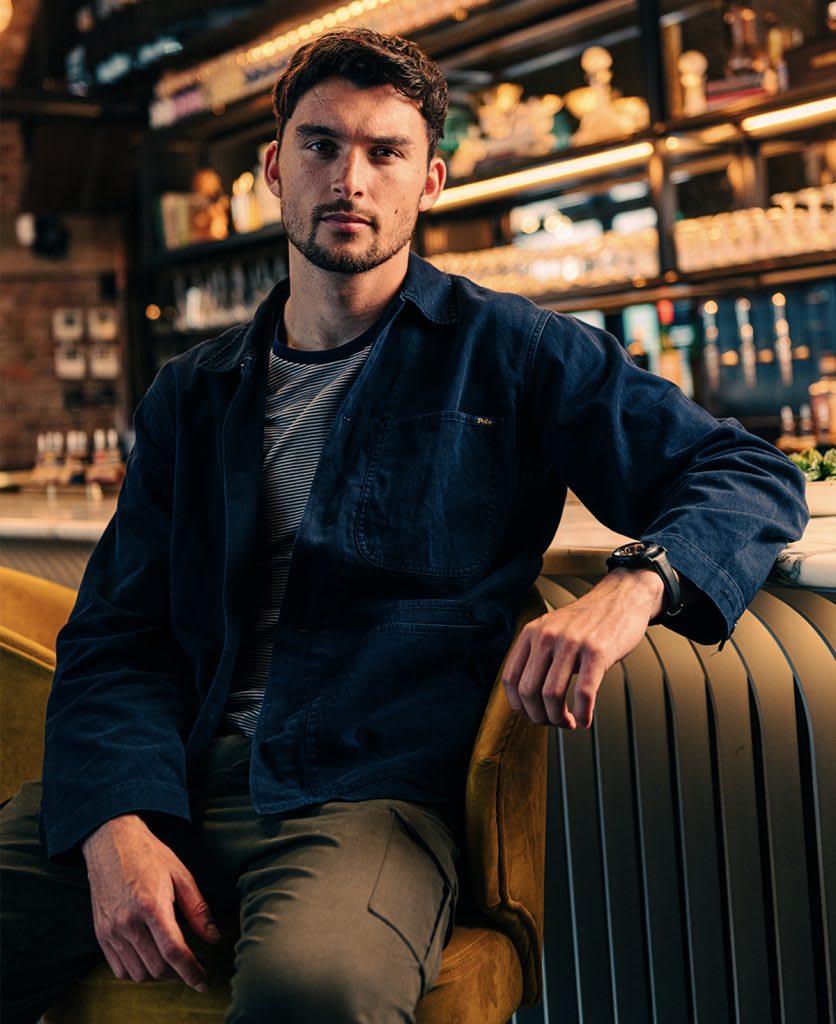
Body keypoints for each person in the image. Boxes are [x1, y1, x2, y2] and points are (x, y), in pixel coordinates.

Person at [0, 28, 807, 1024]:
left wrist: (632, 587)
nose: (349, 177)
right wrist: (113, 820)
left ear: (427, 179)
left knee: (316, 993)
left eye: (382, 152)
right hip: (171, 765)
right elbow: (117, 635)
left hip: (361, 791)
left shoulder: (514, 353)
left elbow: (744, 473)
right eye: (319, 145)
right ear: (272, 170)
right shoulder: (191, 395)